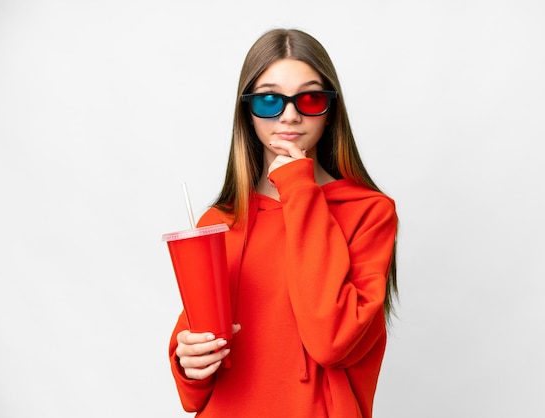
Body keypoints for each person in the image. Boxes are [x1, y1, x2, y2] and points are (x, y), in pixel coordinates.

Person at [168, 28, 398, 418]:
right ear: (248, 112)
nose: (289, 114)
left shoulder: (369, 213)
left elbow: (332, 341)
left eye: (309, 98)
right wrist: (188, 362)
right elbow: (194, 391)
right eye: (270, 99)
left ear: (330, 111)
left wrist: (298, 187)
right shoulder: (218, 222)